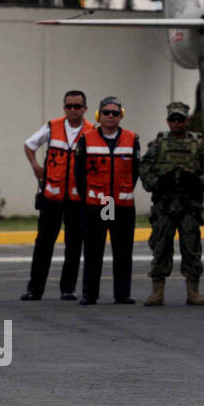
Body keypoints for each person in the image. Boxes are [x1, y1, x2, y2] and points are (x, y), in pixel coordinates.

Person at [139, 102, 204, 307]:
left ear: (187, 121)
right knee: (161, 246)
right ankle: (157, 291)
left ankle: (193, 290)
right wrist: (157, 183)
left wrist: (196, 181)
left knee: (191, 247)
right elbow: (144, 169)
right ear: (168, 121)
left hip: (189, 204)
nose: (177, 123)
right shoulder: (158, 144)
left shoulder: (198, 145)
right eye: (173, 119)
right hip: (164, 204)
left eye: (180, 119)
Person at [21, 90, 89, 300]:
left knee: (74, 244)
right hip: (52, 195)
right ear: (64, 108)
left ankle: (67, 288)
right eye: (69, 106)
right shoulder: (53, 126)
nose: (72, 110)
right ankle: (35, 289)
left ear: (85, 109)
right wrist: (35, 166)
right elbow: (29, 144)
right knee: (43, 243)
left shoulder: (91, 131)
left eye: (77, 106)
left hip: (77, 199)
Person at [74, 97, 140, 305]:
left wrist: (124, 190)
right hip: (100, 203)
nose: (110, 116)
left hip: (121, 204)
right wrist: (88, 198)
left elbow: (136, 171)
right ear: (98, 115)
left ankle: (122, 294)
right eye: (106, 113)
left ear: (121, 115)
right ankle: (89, 294)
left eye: (114, 113)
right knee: (94, 248)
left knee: (123, 250)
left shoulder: (131, 139)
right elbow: (79, 173)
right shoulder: (86, 139)